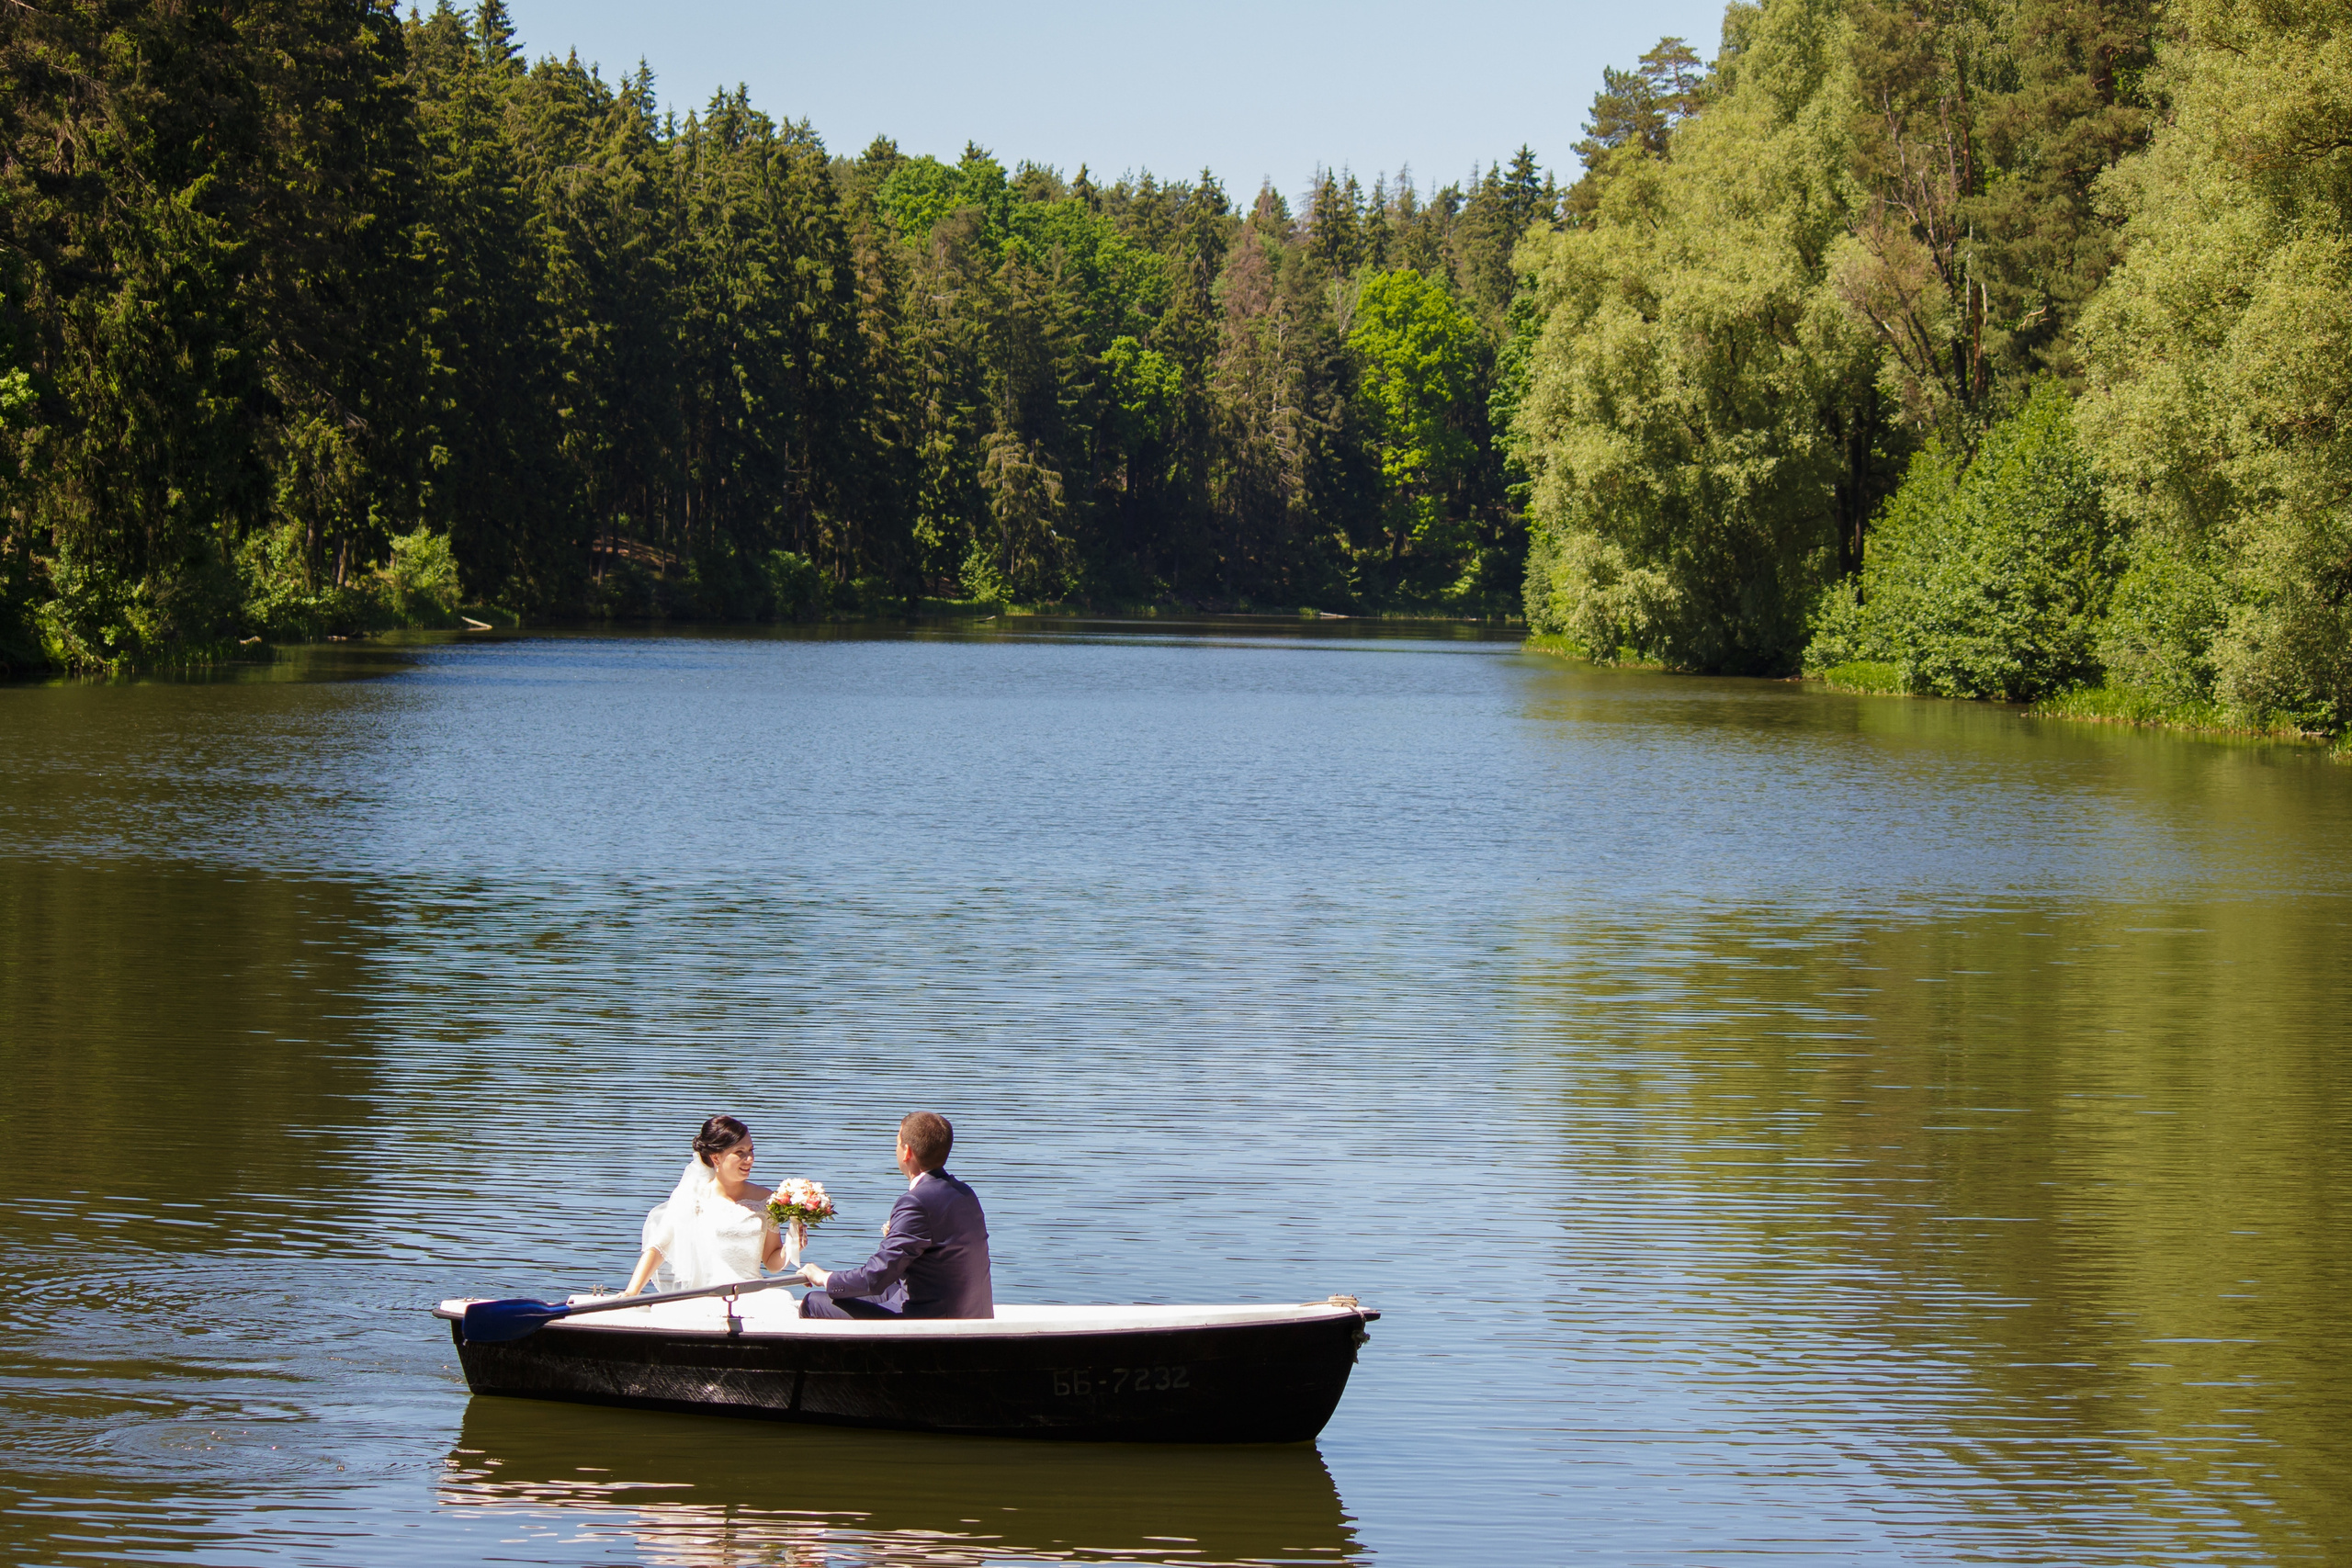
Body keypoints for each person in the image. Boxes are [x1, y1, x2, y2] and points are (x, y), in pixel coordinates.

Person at [795, 1111, 992, 1319]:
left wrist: (825, 1278)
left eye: (898, 1142)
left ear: (907, 1152)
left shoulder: (916, 1201)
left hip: (932, 1322)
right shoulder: (965, 1193)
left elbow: (874, 1278)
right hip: (968, 1312)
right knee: (884, 1289)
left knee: (813, 1303)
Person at [622, 1114, 796, 1295]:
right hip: (705, 1295)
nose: (749, 1159)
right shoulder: (693, 1197)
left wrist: (792, 1244)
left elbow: (771, 1262)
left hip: (752, 1293)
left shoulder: (766, 1199)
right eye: (740, 1152)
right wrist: (631, 1292)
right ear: (716, 1158)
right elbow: (658, 1248)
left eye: (751, 1150)